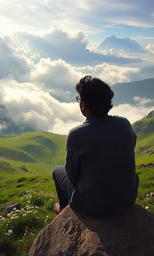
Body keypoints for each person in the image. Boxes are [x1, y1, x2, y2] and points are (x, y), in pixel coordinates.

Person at [52, 75, 139, 218]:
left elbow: (72, 176)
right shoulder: (124, 124)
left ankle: (63, 208)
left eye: (79, 99)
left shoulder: (76, 134)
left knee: (57, 171)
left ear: (83, 105)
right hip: (127, 201)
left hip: (93, 208)